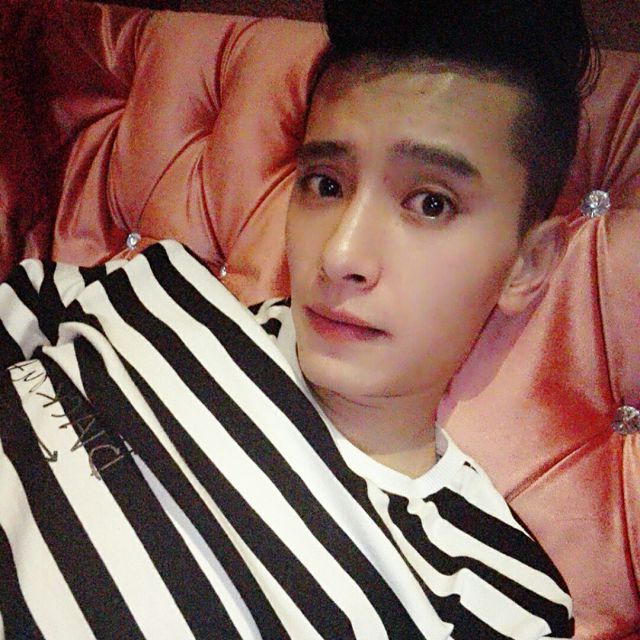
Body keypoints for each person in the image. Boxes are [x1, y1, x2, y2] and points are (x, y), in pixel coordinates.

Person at [0, 1, 598, 638]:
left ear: (527, 265)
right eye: (325, 185)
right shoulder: (149, 292)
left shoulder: (500, 599)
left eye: (430, 203)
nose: (340, 256)